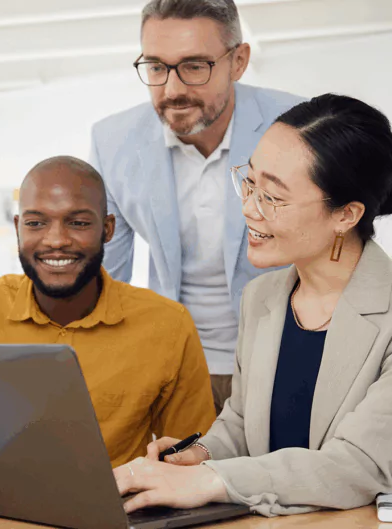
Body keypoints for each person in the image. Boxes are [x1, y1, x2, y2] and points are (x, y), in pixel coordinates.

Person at [112, 94, 392, 516]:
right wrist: (198, 456)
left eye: (273, 196)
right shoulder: (262, 297)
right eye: (249, 182)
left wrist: (210, 480)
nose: (249, 208)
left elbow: (360, 467)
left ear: (346, 215)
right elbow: (241, 427)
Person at [0, 156, 215, 470]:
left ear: (107, 229)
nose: (55, 241)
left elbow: (190, 453)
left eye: (78, 223)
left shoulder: (168, 325)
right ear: (18, 228)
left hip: (115, 510)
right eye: (36, 223)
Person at [89, 0, 303, 413]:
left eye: (194, 66)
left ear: (238, 61)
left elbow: (344, 261)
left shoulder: (298, 124)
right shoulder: (113, 141)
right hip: (174, 367)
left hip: (287, 360)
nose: (172, 90)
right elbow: (104, 283)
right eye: (155, 67)